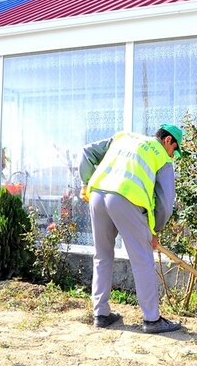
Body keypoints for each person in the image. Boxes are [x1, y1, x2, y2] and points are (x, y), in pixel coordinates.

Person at [78, 124, 183, 334]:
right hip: (125, 199)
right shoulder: (161, 157)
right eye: (175, 150)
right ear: (168, 141)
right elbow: (165, 203)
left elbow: (87, 151)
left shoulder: (123, 137)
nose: (173, 156)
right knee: (142, 258)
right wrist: (154, 230)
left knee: (102, 255)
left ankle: (101, 314)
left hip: (97, 194)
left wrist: (85, 183)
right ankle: (152, 319)